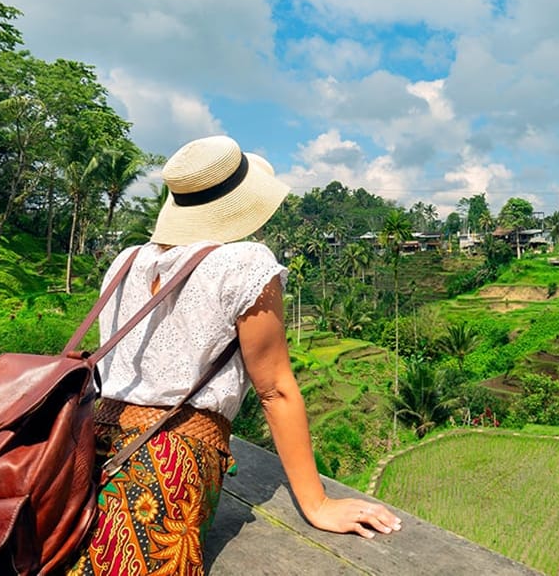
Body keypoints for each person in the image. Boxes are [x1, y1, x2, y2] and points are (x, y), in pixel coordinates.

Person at [67, 135, 400, 576]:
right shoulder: (244, 262)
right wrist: (317, 503)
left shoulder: (127, 260)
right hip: (169, 456)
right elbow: (275, 390)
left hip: (87, 444)